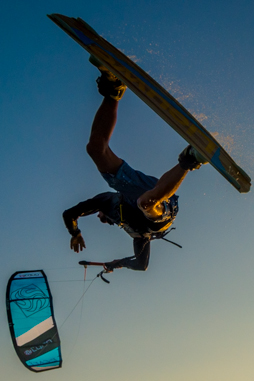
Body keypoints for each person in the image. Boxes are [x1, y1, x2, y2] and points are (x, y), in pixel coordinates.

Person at [62, 57, 206, 274]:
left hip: (133, 187)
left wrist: (75, 233)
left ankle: (113, 89)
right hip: (160, 214)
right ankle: (190, 159)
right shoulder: (138, 235)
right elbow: (142, 265)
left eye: (101, 218)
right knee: (146, 203)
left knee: (95, 149)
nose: (104, 221)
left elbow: (69, 214)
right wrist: (118, 263)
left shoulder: (104, 201)